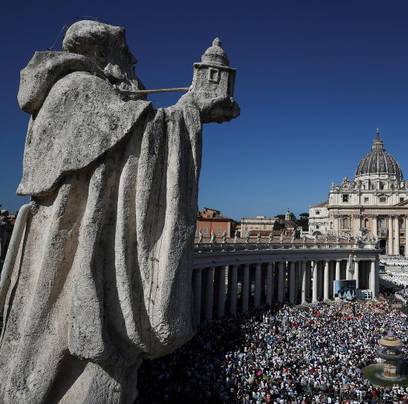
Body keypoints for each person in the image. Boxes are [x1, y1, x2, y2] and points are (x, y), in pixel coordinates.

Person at [0, 20, 238, 403]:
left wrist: (188, 110)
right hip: (73, 255)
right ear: (107, 56)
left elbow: (130, 136)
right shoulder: (79, 89)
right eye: (129, 58)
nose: (135, 68)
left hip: (73, 247)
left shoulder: (76, 94)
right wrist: (193, 107)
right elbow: (139, 141)